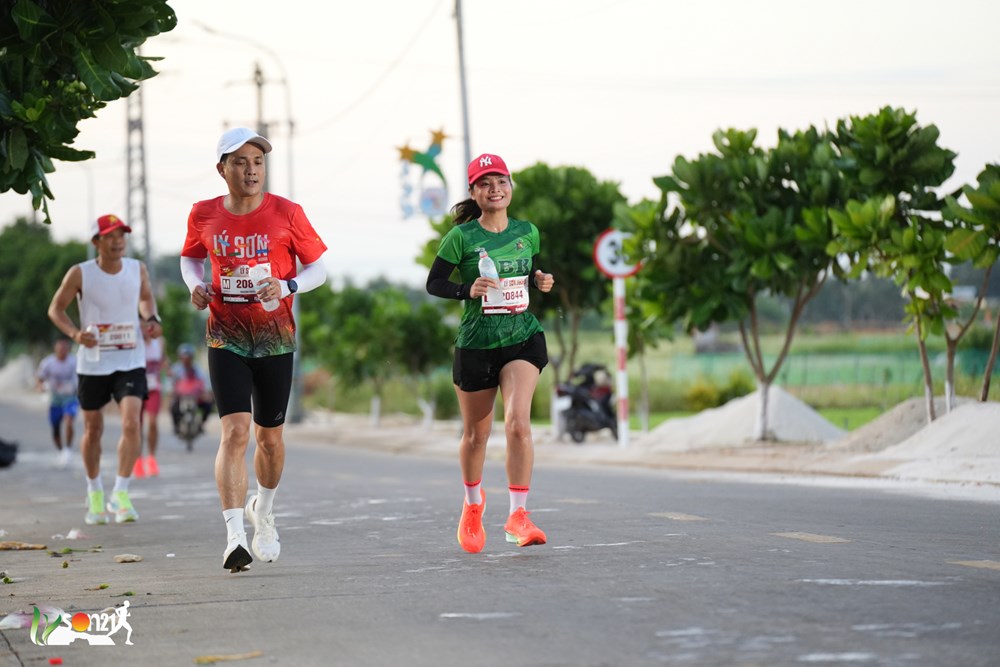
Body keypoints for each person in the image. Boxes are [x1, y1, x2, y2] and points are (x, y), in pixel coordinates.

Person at [180, 127, 329, 573]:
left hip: (275, 339)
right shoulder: (203, 214)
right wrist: (196, 285)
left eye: (258, 161)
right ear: (222, 168)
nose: (251, 170)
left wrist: (288, 284)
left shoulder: (287, 212)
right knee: (235, 433)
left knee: (270, 439)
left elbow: (318, 266)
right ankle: (233, 539)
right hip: (225, 335)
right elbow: (190, 257)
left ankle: (262, 510)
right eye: (241, 162)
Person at [425, 152, 555, 553]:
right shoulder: (461, 237)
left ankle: (519, 515)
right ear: (474, 193)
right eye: (485, 183)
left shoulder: (527, 231)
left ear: (510, 187)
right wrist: (468, 289)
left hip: (521, 337)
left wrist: (541, 279)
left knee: (517, 424)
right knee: (476, 435)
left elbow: (531, 268)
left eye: (500, 181)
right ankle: (472, 504)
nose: (494, 189)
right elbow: (434, 283)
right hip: (476, 343)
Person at [47, 213, 162, 525]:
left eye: (122, 234)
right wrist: (74, 334)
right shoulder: (80, 273)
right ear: (96, 241)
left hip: (130, 359)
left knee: (131, 424)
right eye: (110, 235)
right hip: (94, 362)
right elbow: (55, 308)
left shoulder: (137, 268)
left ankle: (121, 493)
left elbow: (147, 300)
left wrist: (152, 320)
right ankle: (94, 489)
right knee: (93, 429)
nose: (118, 241)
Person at [35, 338, 79, 468]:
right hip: (55, 398)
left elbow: (82, 377)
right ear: (55, 349)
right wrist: (40, 387)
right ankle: (61, 451)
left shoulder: (74, 362)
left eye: (65, 348)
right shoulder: (48, 362)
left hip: (70, 397)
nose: (62, 351)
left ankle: (68, 450)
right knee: (55, 428)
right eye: (60, 348)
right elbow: (39, 378)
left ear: (68, 349)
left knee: (69, 421)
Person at [135, 327, 165, 478]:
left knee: (152, 423)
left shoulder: (159, 342)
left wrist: (166, 368)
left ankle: (151, 457)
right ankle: (138, 459)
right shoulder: (135, 341)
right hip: (137, 388)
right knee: (136, 425)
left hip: (154, 388)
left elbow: (163, 361)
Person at [169, 343, 213, 433]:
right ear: (180, 357)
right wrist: (172, 392)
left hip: (195, 397)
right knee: (173, 407)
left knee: (208, 405)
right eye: (184, 357)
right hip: (181, 396)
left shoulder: (198, 369)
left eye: (188, 357)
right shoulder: (176, 369)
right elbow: (171, 383)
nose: (186, 360)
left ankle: (201, 424)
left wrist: (205, 393)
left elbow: (204, 382)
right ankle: (176, 425)